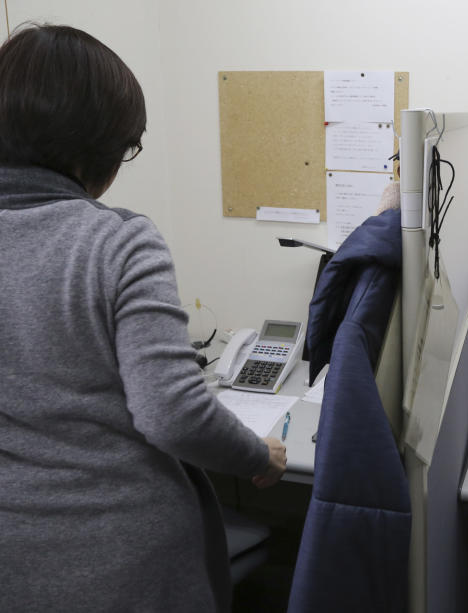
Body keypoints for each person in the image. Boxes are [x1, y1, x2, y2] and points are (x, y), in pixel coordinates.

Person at [0, 24, 286, 612]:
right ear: (96, 147)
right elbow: (173, 413)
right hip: (120, 555)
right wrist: (258, 456)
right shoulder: (116, 241)